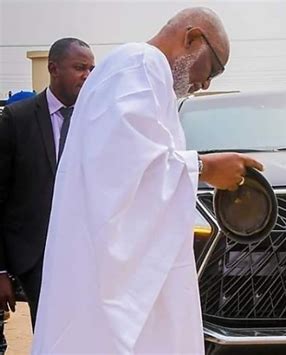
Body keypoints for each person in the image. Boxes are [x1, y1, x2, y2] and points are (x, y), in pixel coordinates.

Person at [32, 7, 263, 355]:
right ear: (192, 38)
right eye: (213, 67)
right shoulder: (140, 64)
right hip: (106, 280)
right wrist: (203, 167)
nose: (206, 83)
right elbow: (120, 170)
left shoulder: (140, 72)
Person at [0, 38, 95, 330]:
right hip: (36, 257)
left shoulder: (97, 119)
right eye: (80, 68)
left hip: (87, 253)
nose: (88, 76)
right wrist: (1, 270)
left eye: (92, 69)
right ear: (53, 68)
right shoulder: (18, 119)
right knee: (49, 333)